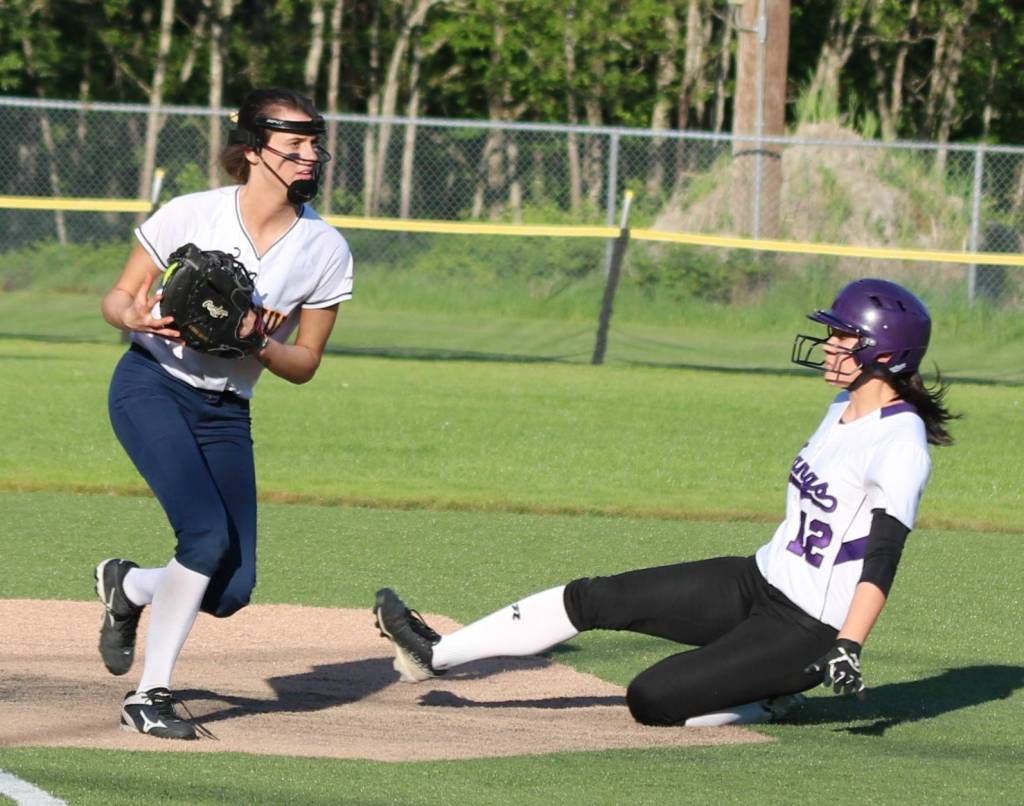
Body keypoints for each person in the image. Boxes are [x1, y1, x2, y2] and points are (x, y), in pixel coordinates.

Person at [373, 278, 956, 727]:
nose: (829, 345)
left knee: (652, 698)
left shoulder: (900, 443)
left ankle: (771, 699)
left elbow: (883, 557)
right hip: (757, 581)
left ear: (884, 354)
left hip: (807, 628)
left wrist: (848, 644)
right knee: (596, 597)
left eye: (844, 337)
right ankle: (435, 654)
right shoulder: (841, 408)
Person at [96, 88, 353, 740]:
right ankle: (148, 696)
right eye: (295, 143)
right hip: (152, 385)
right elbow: (118, 299)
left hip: (226, 412)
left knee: (231, 589)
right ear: (254, 151)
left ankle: (130, 588)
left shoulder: (324, 249)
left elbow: (304, 363)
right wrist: (135, 316)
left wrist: (257, 340)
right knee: (205, 538)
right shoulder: (192, 213)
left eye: (314, 143)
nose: (310, 154)